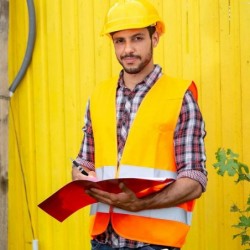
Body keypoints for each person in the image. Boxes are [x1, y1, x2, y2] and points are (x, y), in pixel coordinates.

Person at [72, 0, 207, 249]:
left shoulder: (179, 96)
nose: (128, 50)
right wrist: (79, 174)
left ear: (154, 38)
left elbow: (195, 179)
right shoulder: (99, 95)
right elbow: (85, 162)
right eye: (119, 41)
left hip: (154, 242)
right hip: (103, 240)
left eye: (137, 38)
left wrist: (142, 204)